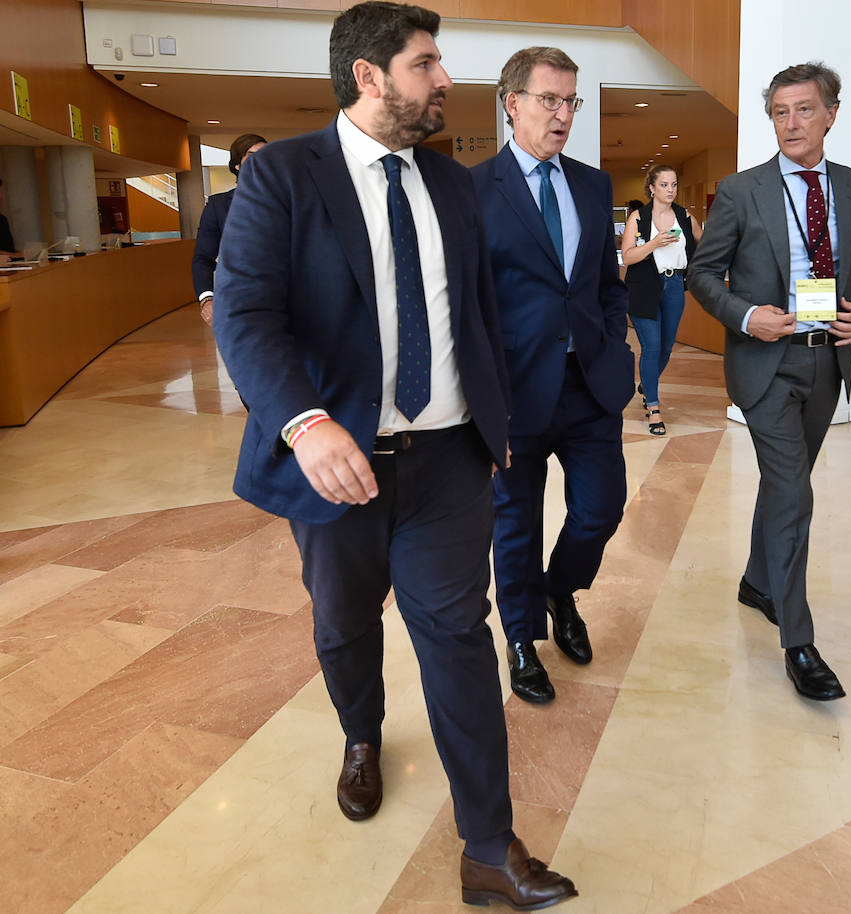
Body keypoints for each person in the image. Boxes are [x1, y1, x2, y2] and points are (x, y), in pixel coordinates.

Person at [211, 4, 576, 908]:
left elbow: (477, 317)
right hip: (336, 465)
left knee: (458, 639)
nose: (444, 80)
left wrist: (493, 431)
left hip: (448, 461)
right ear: (370, 76)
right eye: (426, 65)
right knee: (342, 624)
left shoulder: (453, 184)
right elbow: (246, 316)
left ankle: (489, 848)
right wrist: (304, 423)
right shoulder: (285, 177)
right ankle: (362, 734)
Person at [687, 62, 851, 702]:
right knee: (793, 493)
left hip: (827, 359)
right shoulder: (742, 190)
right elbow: (702, 273)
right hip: (765, 363)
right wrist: (747, 315)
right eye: (779, 112)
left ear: (831, 113)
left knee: (787, 483)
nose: (791, 123)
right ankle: (799, 642)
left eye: (804, 110)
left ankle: (756, 582)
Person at [471, 47, 634, 706]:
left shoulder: (593, 186)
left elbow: (604, 281)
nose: (563, 114)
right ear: (512, 104)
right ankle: (519, 639)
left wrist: (617, 339)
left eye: (571, 101)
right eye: (549, 100)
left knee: (601, 508)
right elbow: (465, 304)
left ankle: (558, 589)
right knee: (516, 524)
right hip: (513, 392)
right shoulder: (473, 190)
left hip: (589, 383)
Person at [622, 164, 702, 435]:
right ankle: (653, 408)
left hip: (675, 285)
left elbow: (708, 244)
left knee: (667, 346)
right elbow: (629, 256)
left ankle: (648, 382)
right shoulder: (638, 217)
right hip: (643, 287)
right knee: (652, 346)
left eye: (674, 184)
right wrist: (654, 243)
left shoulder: (685, 216)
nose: (671, 190)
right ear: (652, 188)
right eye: (665, 185)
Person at [191, 133, 266, 325]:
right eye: (251, 156)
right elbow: (203, 258)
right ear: (237, 165)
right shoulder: (218, 206)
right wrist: (207, 298)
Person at [0, 179, 19, 258]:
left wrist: (26, 254)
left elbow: (9, 249)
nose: (1, 197)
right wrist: (16, 255)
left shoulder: (2, 219)